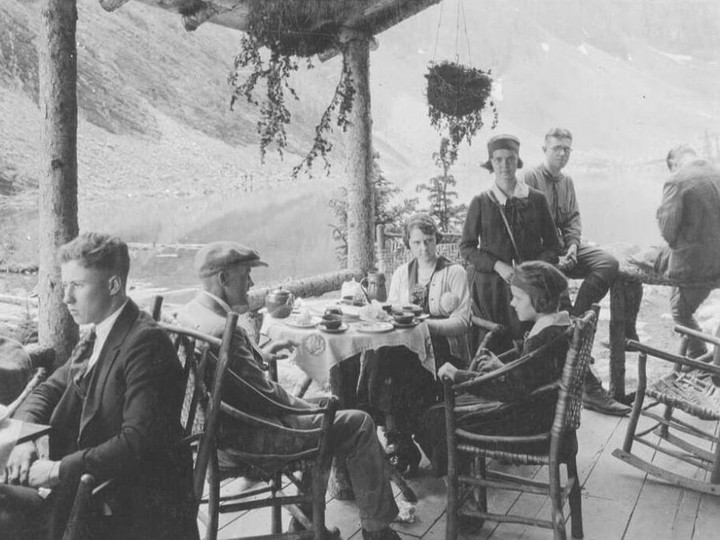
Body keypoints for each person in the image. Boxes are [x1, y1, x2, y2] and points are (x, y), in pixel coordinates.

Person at [175, 241, 400, 540]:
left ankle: (305, 521)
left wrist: (262, 352)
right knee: (358, 422)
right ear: (224, 279)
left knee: (325, 414)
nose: (252, 283)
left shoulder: (192, 313)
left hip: (218, 436)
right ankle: (377, 530)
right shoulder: (224, 330)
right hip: (252, 440)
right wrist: (311, 409)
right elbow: (266, 396)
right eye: (246, 275)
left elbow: (232, 376)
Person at [0, 233, 197, 540]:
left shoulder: (145, 345)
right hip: (81, 484)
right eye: (65, 285)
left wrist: (55, 471)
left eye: (77, 285)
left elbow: (137, 443)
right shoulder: (99, 333)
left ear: (114, 285)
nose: (66, 297)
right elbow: (48, 390)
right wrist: (25, 438)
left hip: (120, 506)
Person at [416, 261, 573, 475]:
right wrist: (502, 366)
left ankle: (457, 478)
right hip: (543, 412)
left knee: (436, 417)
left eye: (518, 297)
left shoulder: (544, 338)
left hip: (529, 424)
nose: (512, 303)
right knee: (439, 413)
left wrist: (459, 375)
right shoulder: (558, 327)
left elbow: (511, 390)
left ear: (539, 299)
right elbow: (532, 373)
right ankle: (460, 473)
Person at [523, 128, 630, 416]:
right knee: (558, 306)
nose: (562, 153)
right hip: (542, 256)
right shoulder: (530, 178)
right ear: (544, 148)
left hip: (564, 249)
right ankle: (588, 386)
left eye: (567, 149)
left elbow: (572, 218)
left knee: (608, 263)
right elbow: (528, 230)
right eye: (556, 148)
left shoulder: (567, 181)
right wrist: (554, 257)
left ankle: (576, 319)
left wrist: (571, 247)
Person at [359, 213, 471, 476]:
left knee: (392, 367)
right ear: (408, 243)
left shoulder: (453, 272)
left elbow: (463, 322)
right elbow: (394, 316)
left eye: (429, 241)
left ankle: (397, 436)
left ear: (437, 241)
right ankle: (399, 437)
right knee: (383, 357)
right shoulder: (401, 274)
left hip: (445, 352)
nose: (424, 249)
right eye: (417, 242)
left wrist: (424, 325)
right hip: (408, 352)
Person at [459, 133, 560, 351]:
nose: (505, 165)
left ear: (518, 160)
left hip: (528, 293)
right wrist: (498, 265)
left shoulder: (536, 199)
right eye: (498, 159)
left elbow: (553, 246)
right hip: (491, 291)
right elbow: (466, 248)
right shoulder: (481, 202)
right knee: (493, 344)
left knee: (526, 346)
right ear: (491, 163)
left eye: (510, 159)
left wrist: (530, 271)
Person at [655, 145, 720, 358]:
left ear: (674, 163)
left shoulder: (677, 180)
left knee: (679, 311)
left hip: (696, 264)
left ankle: (697, 352)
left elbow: (667, 229)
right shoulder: (716, 172)